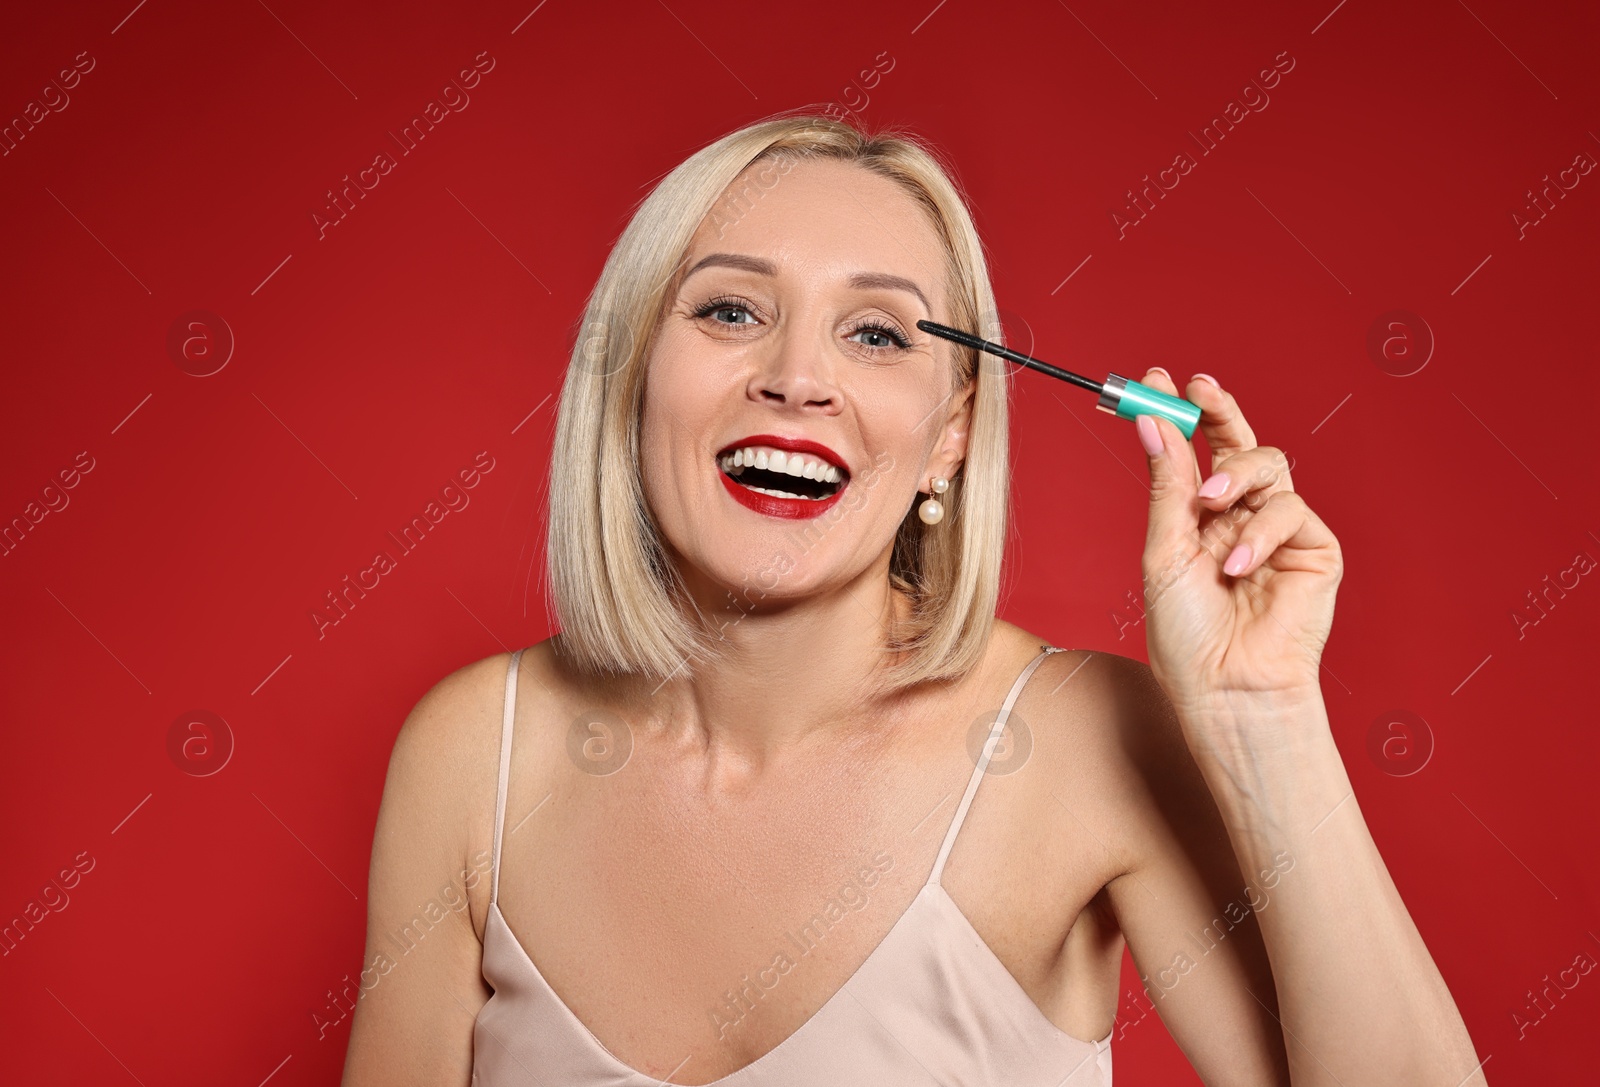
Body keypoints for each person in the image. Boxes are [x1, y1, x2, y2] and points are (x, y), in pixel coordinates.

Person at [340, 111, 1486, 1086]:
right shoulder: (472, 760)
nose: (796, 377)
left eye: (878, 333)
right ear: (633, 380)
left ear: (949, 437)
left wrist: (1263, 722)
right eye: (730, 311)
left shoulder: (1087, 748)